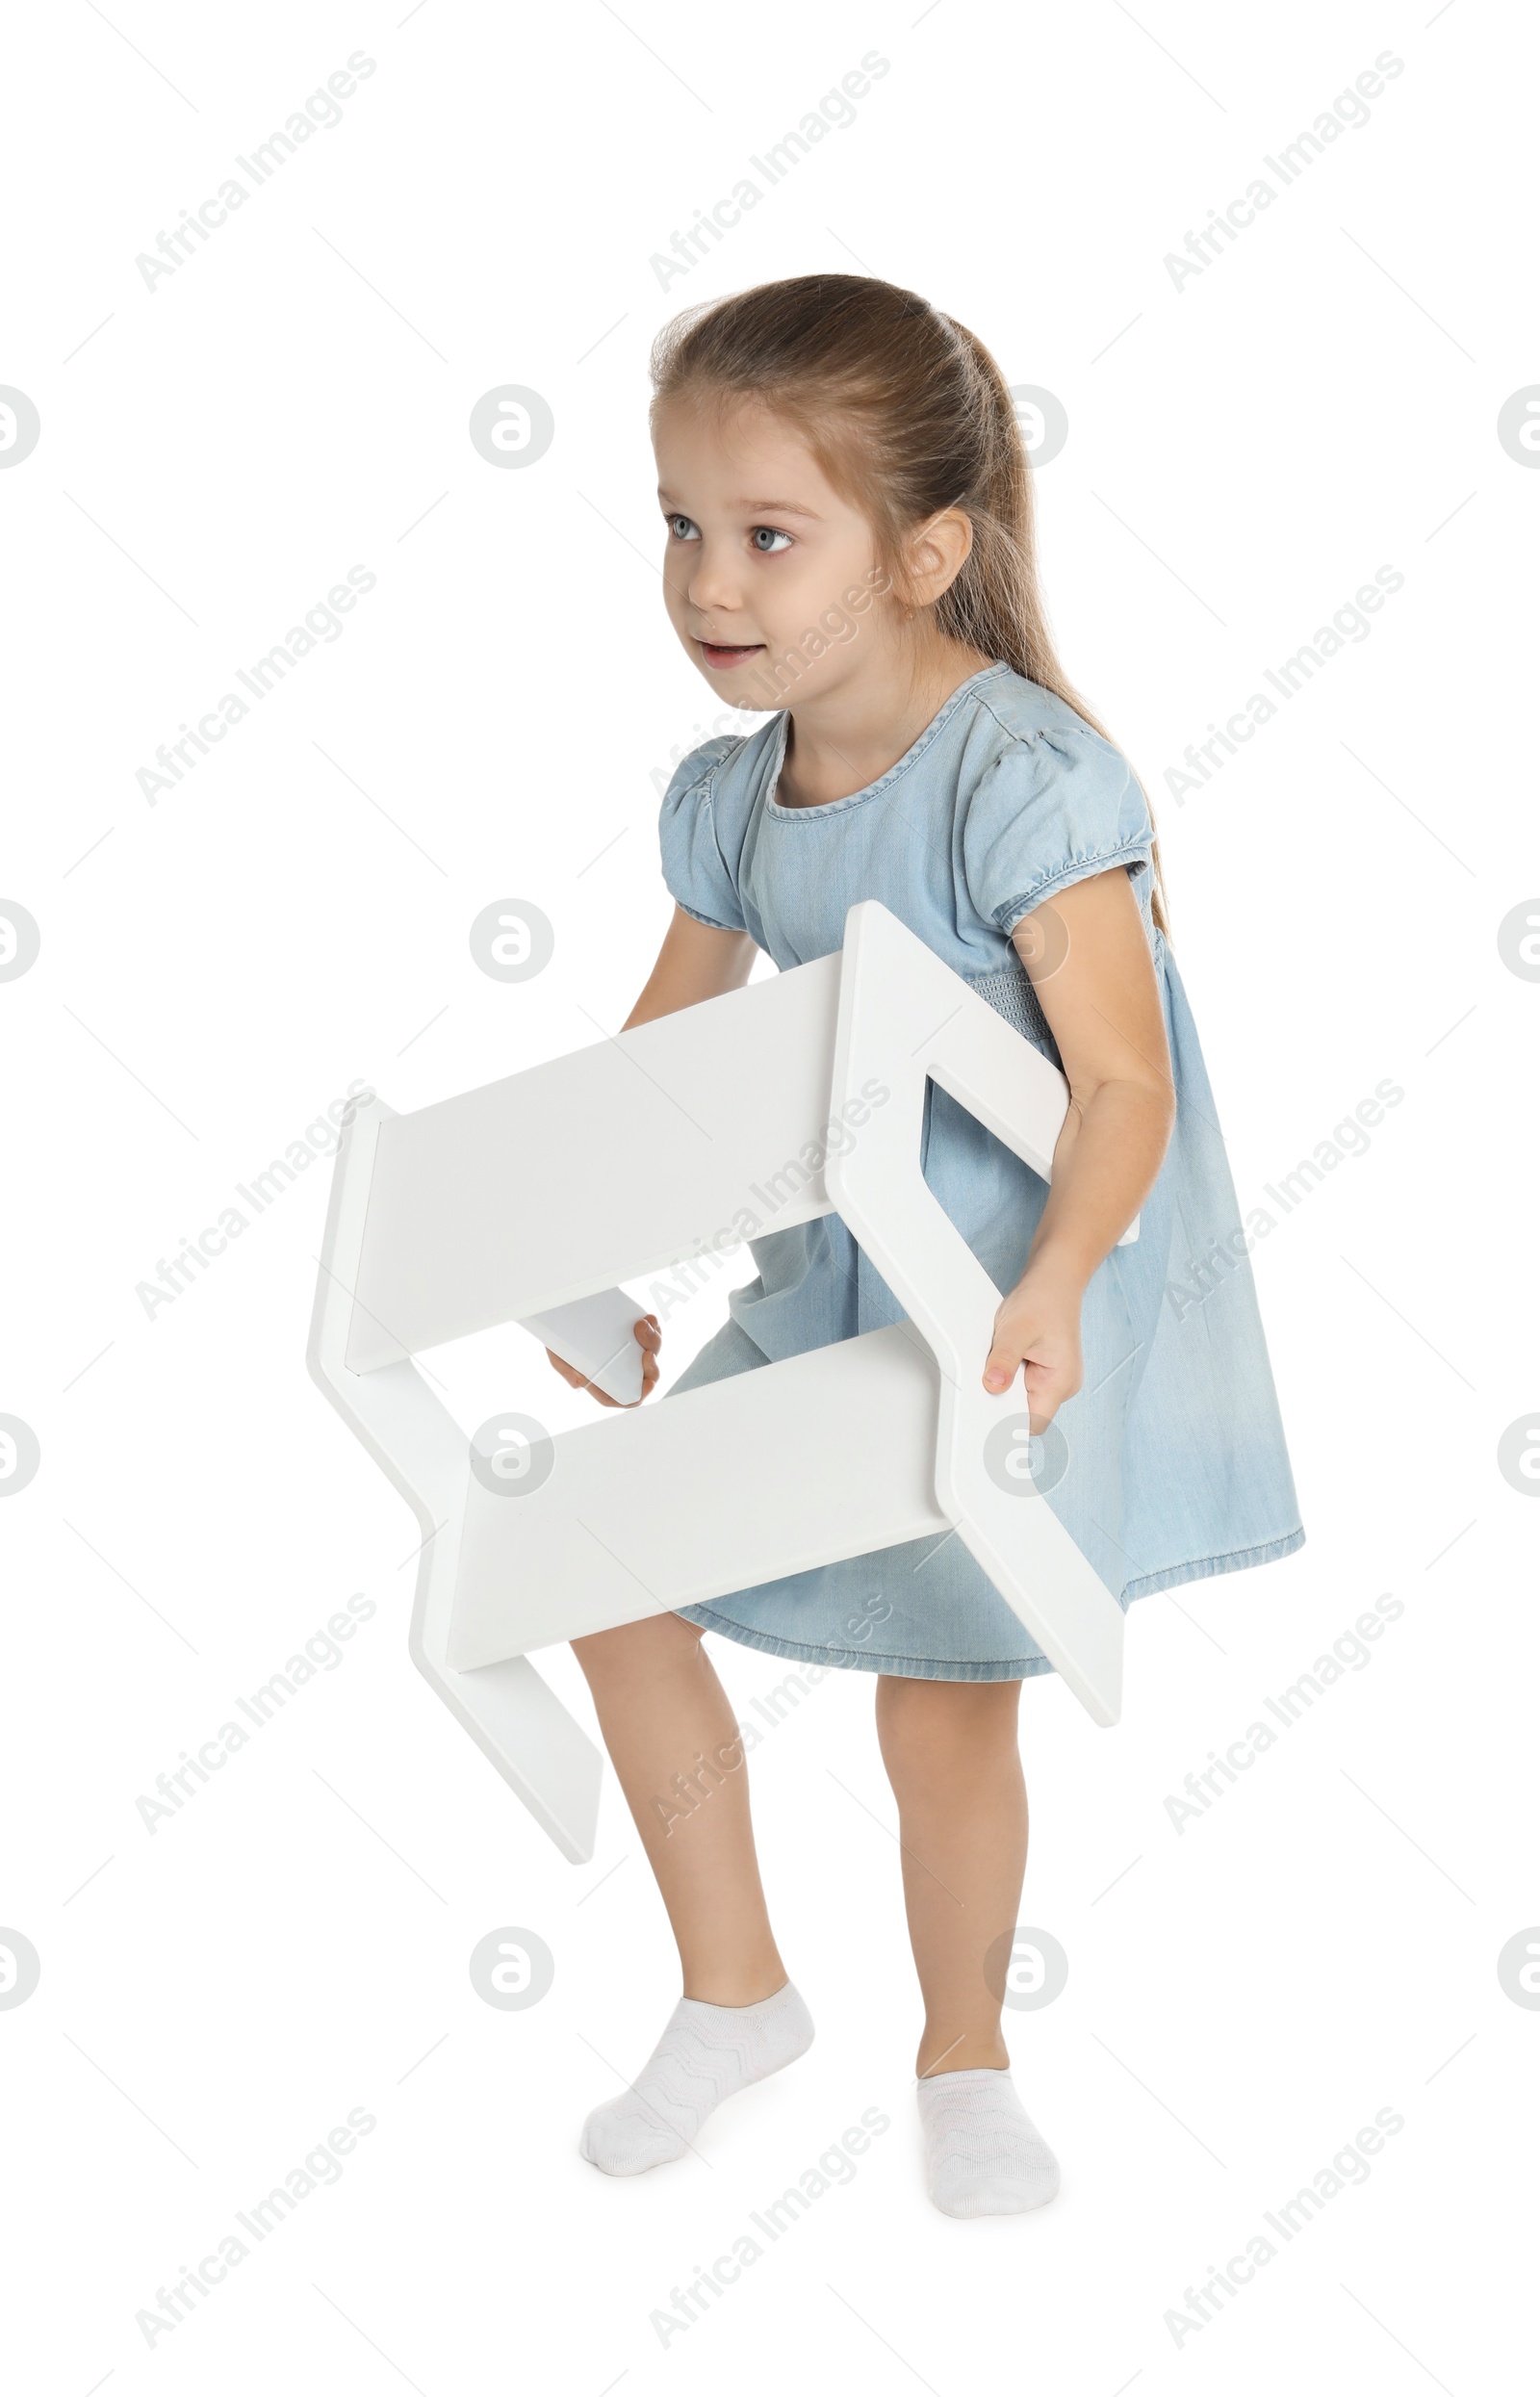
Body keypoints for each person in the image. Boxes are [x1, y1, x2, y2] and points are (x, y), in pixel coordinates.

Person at [546, 273, 1302, 2218]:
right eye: (678, 524)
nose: (708, 579)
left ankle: (962, 2053)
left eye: (767, 535)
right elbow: (662, 1054)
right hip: (830, 1279)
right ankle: (734, 1995)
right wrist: (596, 1255)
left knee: (945, 1690)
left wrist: (1051, 1283)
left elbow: (1119, 1085)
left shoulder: (1020, 779)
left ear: (925, 553)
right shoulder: (730, 798)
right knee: (606, 1572)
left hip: (1002, 1285)